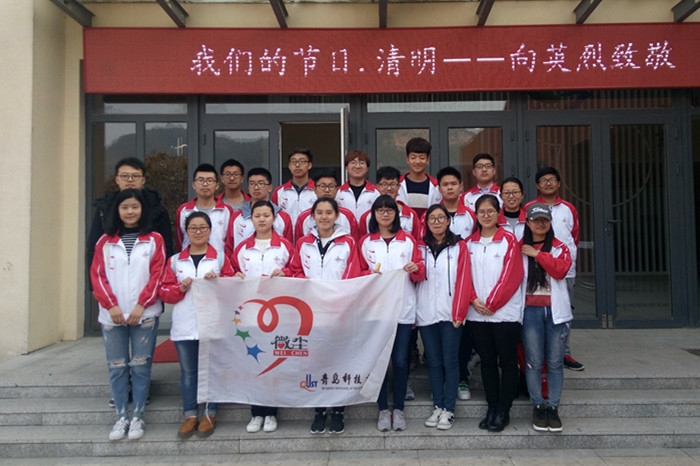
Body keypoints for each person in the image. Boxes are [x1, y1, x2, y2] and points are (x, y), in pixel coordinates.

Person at [90, 188, 167, 441]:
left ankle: (138, 417)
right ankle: (121, 416)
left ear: (142, 210)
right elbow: (98, 276)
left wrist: (141, 305)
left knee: (141, 365)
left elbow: (158, 275)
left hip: (144, 313)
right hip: (112, 316)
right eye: (125, 207)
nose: (130, 212)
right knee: (117, 366)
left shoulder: (154, 239)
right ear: (117, 211)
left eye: (135, 207)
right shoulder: (104, 241)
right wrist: (111, 306)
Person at [159, 212, 235, 439]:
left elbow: (233, 289)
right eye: (193, 228)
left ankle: (210, 413)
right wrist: (180, 288)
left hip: (212, 323)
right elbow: (165, 292)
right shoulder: (175, 261)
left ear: (210, 231)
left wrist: (218, 283)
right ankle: (190, 414)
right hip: (185, 324)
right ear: (186, 232)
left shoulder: (219, 259)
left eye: (203, 228)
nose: (198, 232)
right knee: (189, 371)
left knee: (212, 369)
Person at [289, 197, 361, 434]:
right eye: (319, 212)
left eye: (329, 212)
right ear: (313, 216)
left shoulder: (348, 242)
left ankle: (339, 410)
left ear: (337, 215)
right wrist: (305, 282)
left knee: (340, 361)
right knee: (315, 361)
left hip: (340, 312)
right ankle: (319, 410)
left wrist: (339, 301)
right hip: (310, 313)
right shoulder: (303, 243)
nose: (324, 217)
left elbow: (353, 275)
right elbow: (295, 271)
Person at [357, 195, 425, 432]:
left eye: (389, 210)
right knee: (379, 361)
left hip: (403, 309)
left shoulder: (408, 240)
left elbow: (420, 273)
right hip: (376, 311)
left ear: (396, 214)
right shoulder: (366, 242)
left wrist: (416, 268)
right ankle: (383, 408)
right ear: (373, 214)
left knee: (400, 360)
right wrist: (367, 274)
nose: (385, 214)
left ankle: (399, 409)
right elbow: (357, 272)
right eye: (380, 210)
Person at [230, 200, 295, 434]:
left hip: (278, 314)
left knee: (273, 362)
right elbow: (231, 272)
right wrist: (235, 276)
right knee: (254, 361)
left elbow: (297, 271)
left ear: (274, 218)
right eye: (257, 215)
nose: (262, 219)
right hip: (250, 314)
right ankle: (256, 412)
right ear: (252, 219)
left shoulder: (285, 246)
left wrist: (285, 272)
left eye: (266, 215)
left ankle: (271, 412)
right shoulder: (242, 248)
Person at [465, 194, 524, 433]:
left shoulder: (509, 240)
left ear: (498, 213)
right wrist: (474, 299)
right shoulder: (469, 243)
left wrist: (492, 303)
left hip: (504, 313)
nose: (486, 215)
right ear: (476, 215)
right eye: (481, 212)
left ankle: (503, 409)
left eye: (490, 211)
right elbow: (464, 276)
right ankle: (491, 407)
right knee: (487, 360)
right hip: (477, 313)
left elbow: (512, 275)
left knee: (507, 360)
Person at [416, 204, 472, 430]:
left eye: (441, 218)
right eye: (432, 218)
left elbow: (465, 280)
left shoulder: (459, 246)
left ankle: (449, 409)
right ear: (426, 223)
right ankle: (438, 405)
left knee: (450, 361)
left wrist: (459, 312)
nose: (437, 222)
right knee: (433, 361)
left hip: (451, 314)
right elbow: (414, 279)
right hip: (426, 312)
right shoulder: (419, 246)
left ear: (448, 221)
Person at [524, 167, 583, 371]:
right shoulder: (530, 207)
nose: (548, 183)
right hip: (535, 268)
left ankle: (564, 352)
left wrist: (564, 260)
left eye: (552, 179)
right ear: (537, 185)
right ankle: (538, 353)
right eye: (543, 180)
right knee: (536, 313)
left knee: (564, 310)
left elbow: (574, 237)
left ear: (558, 183)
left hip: (563, 269)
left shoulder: (569, 208)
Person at [521, 203, 573, 433]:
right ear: (528, 223)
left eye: (544, 220)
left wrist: (538, 254)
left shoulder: (560, 247)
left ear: (550, 222)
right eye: (535, 220)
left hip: (556, 312)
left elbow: (560, 270)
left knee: (554, 362)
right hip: (529, 312)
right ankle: (537, 405)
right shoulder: (519, 247)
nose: (540, 224)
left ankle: (553, 406)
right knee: (533, 361)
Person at [435, 166, 477, 402]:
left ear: (461, 187)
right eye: (445, 184)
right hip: (438, 287)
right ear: (439, 188)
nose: (449, 188)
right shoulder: (432, 215)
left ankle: (462, 377)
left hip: (465, 281)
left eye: (453, 184)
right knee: (439, 337)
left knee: (463, 335)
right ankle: (440, 378)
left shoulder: (471, 215)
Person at [88, 157, 173, 274]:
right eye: (124, 176)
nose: (130, 180)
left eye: (135, 176)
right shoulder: (104, 208)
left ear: (143, 180)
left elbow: (167, 249)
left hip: (149, 275)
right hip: (112, 274)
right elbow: (93, 248)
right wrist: (95, 282)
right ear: (117, 180)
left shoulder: (157, 209)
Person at [176, 163, 234, 257]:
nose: (205, 184)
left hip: (219, 261)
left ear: (217, 185)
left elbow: (230, 242)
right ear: (194, 185)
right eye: (201, 180)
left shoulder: (226, 210)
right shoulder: (184, 210)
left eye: (209, 180)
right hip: (189, 262)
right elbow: (180, 240)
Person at [231, 167, 294, 250]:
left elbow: (289, 248)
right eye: (252, 184)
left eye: (261, 183)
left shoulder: (282, 217)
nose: (256, 187)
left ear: (270, 187)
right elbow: (229, 248)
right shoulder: (237, 216)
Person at [295, 169, 360, 242]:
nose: (327, 190)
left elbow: (354, 242)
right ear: (314, 189)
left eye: (331, 186)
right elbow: (299, 244)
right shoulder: (303, 217)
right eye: (322, 186)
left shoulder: (348, 216)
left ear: (337, 189)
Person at [360, 166, 420, 237]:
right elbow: (362, 241)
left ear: (398, 186)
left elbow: (416, 240)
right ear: (378, 187)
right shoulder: (367, 217)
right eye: (384, 184)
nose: (389, 188)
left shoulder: (411, 215)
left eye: (393, 184)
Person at [396, 137, 442, 219]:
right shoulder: (397, 184)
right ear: (407, 160)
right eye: (413, 158)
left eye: (422, 158)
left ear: (427, 160)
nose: (417, 161)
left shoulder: (437, 186)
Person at [271, 148, 317, 225]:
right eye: (293, 162)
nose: (297, 165)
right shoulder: (280, 192)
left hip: (310, 232)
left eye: (302, 161)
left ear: (309, 165)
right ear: (289, 166)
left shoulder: (317, 190)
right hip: (285, 232)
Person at [335, 149, 380, 221]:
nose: (357, 166)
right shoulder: (337, 192)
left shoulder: (376, 192)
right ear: (346, 168)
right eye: (353, 163)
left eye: (361, 163)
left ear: (367, 168)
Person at [499, 177, 526, 241]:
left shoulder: (529, 219)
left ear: (522, 195)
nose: (511, 196)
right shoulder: (495, 220)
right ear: (501, 196)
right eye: (506, 193)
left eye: (515, 192)